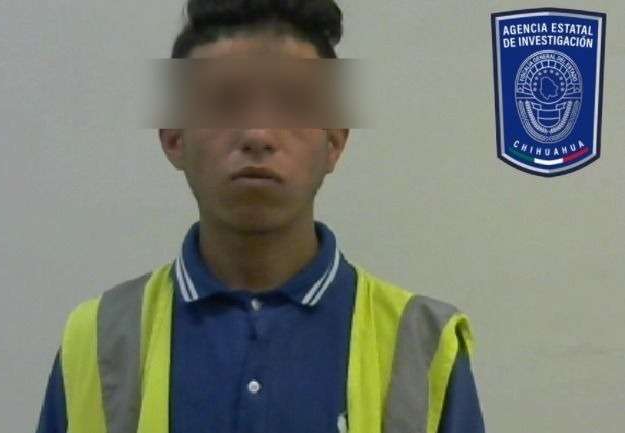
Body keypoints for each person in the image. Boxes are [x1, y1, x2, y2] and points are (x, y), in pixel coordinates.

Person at [36, 1, 486, 432]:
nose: (257, 134)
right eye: (225, 102)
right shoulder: (98, 340)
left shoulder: (423, 345)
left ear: (335, 140)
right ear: (173, 137)